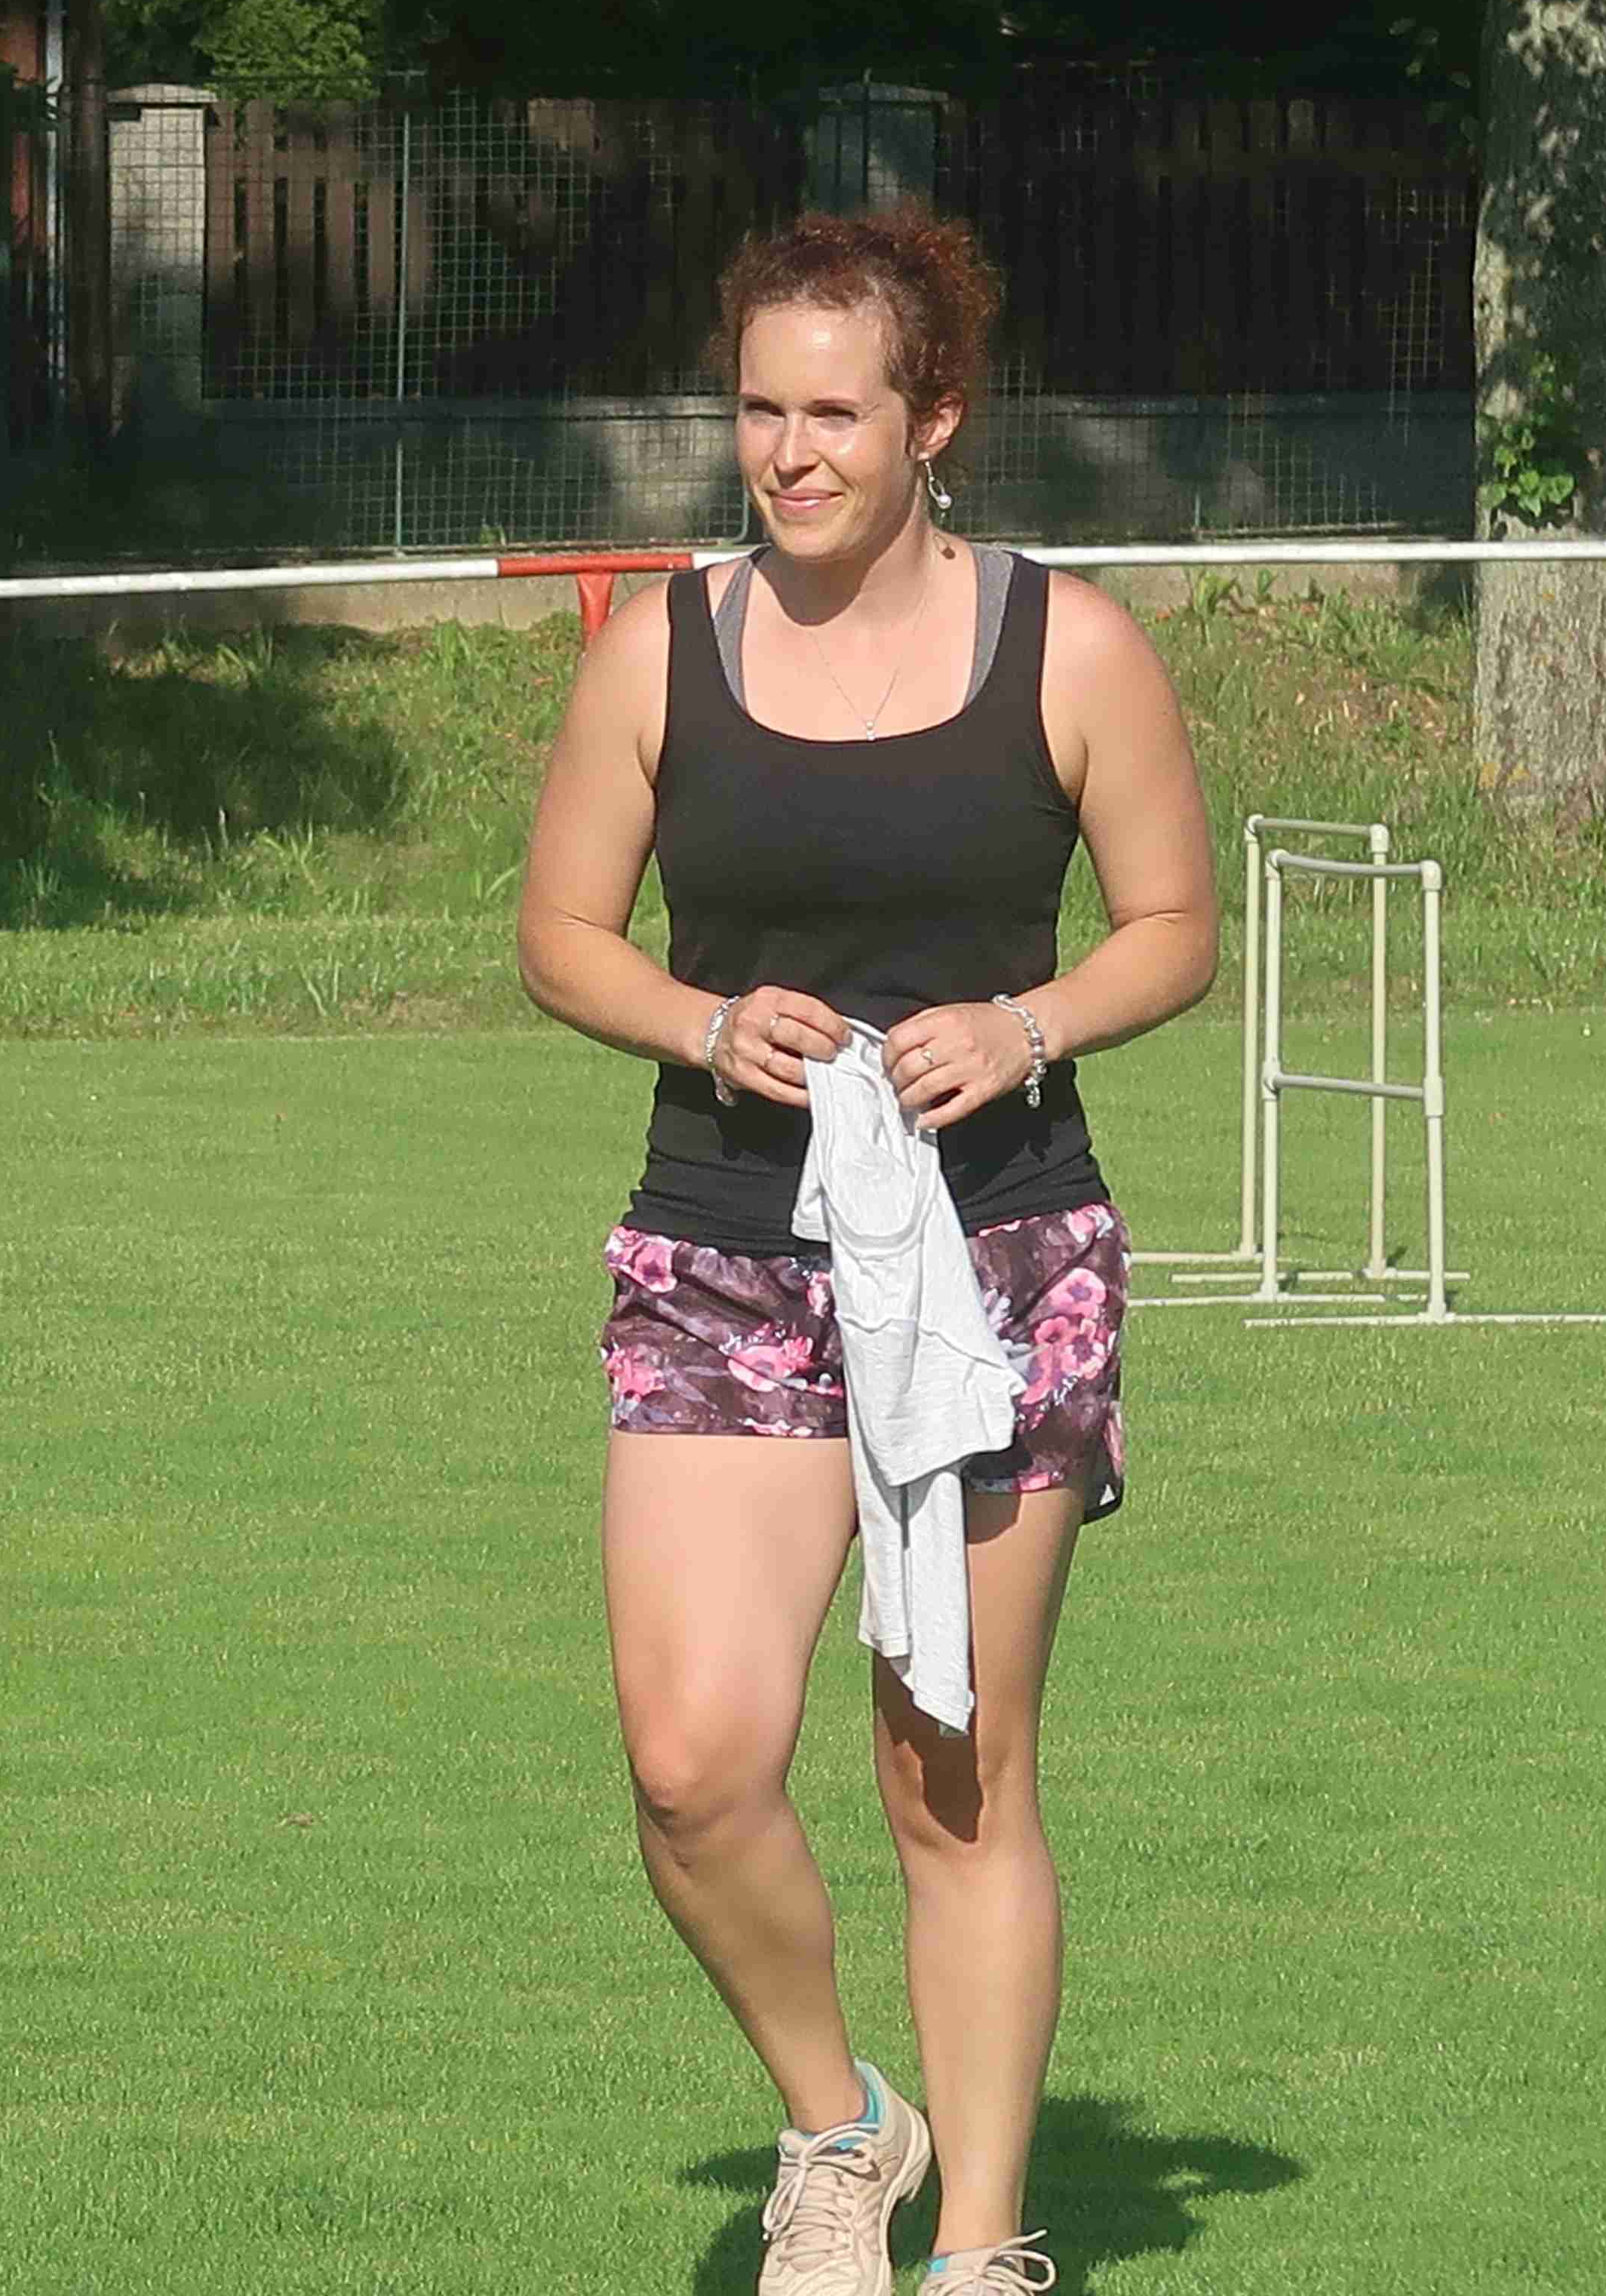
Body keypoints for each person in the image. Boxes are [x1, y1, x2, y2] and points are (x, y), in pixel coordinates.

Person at [514, 210, 1218, 2296]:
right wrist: (701, 1023)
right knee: (691, 1765)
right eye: (759, 408)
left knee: (953, 1777)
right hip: (723, 1250)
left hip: (997, 1259)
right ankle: (845, 2133)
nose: (788, 451)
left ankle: (981, 2241)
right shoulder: (661, 649)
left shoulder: (1068, 649)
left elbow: (1175, 928)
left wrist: (1030, 1025)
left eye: (834, 412)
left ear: (936, 422)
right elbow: (559, 936)